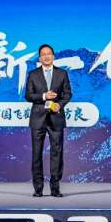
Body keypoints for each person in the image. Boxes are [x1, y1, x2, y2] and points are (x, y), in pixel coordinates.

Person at [24, 44, 72, 197]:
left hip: (56, 118)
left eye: (49, 53)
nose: (46, 56)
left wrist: (59, 105)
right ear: (39, 58)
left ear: (53, 56)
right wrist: (44, 96)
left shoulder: (62, 74)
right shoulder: (33, 74)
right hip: (38, 119)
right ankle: (38, 188)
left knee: (57, 152)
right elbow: (28, 96)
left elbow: (68, 94)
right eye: (43, 54)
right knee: (37, 154)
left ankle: (55, 188)